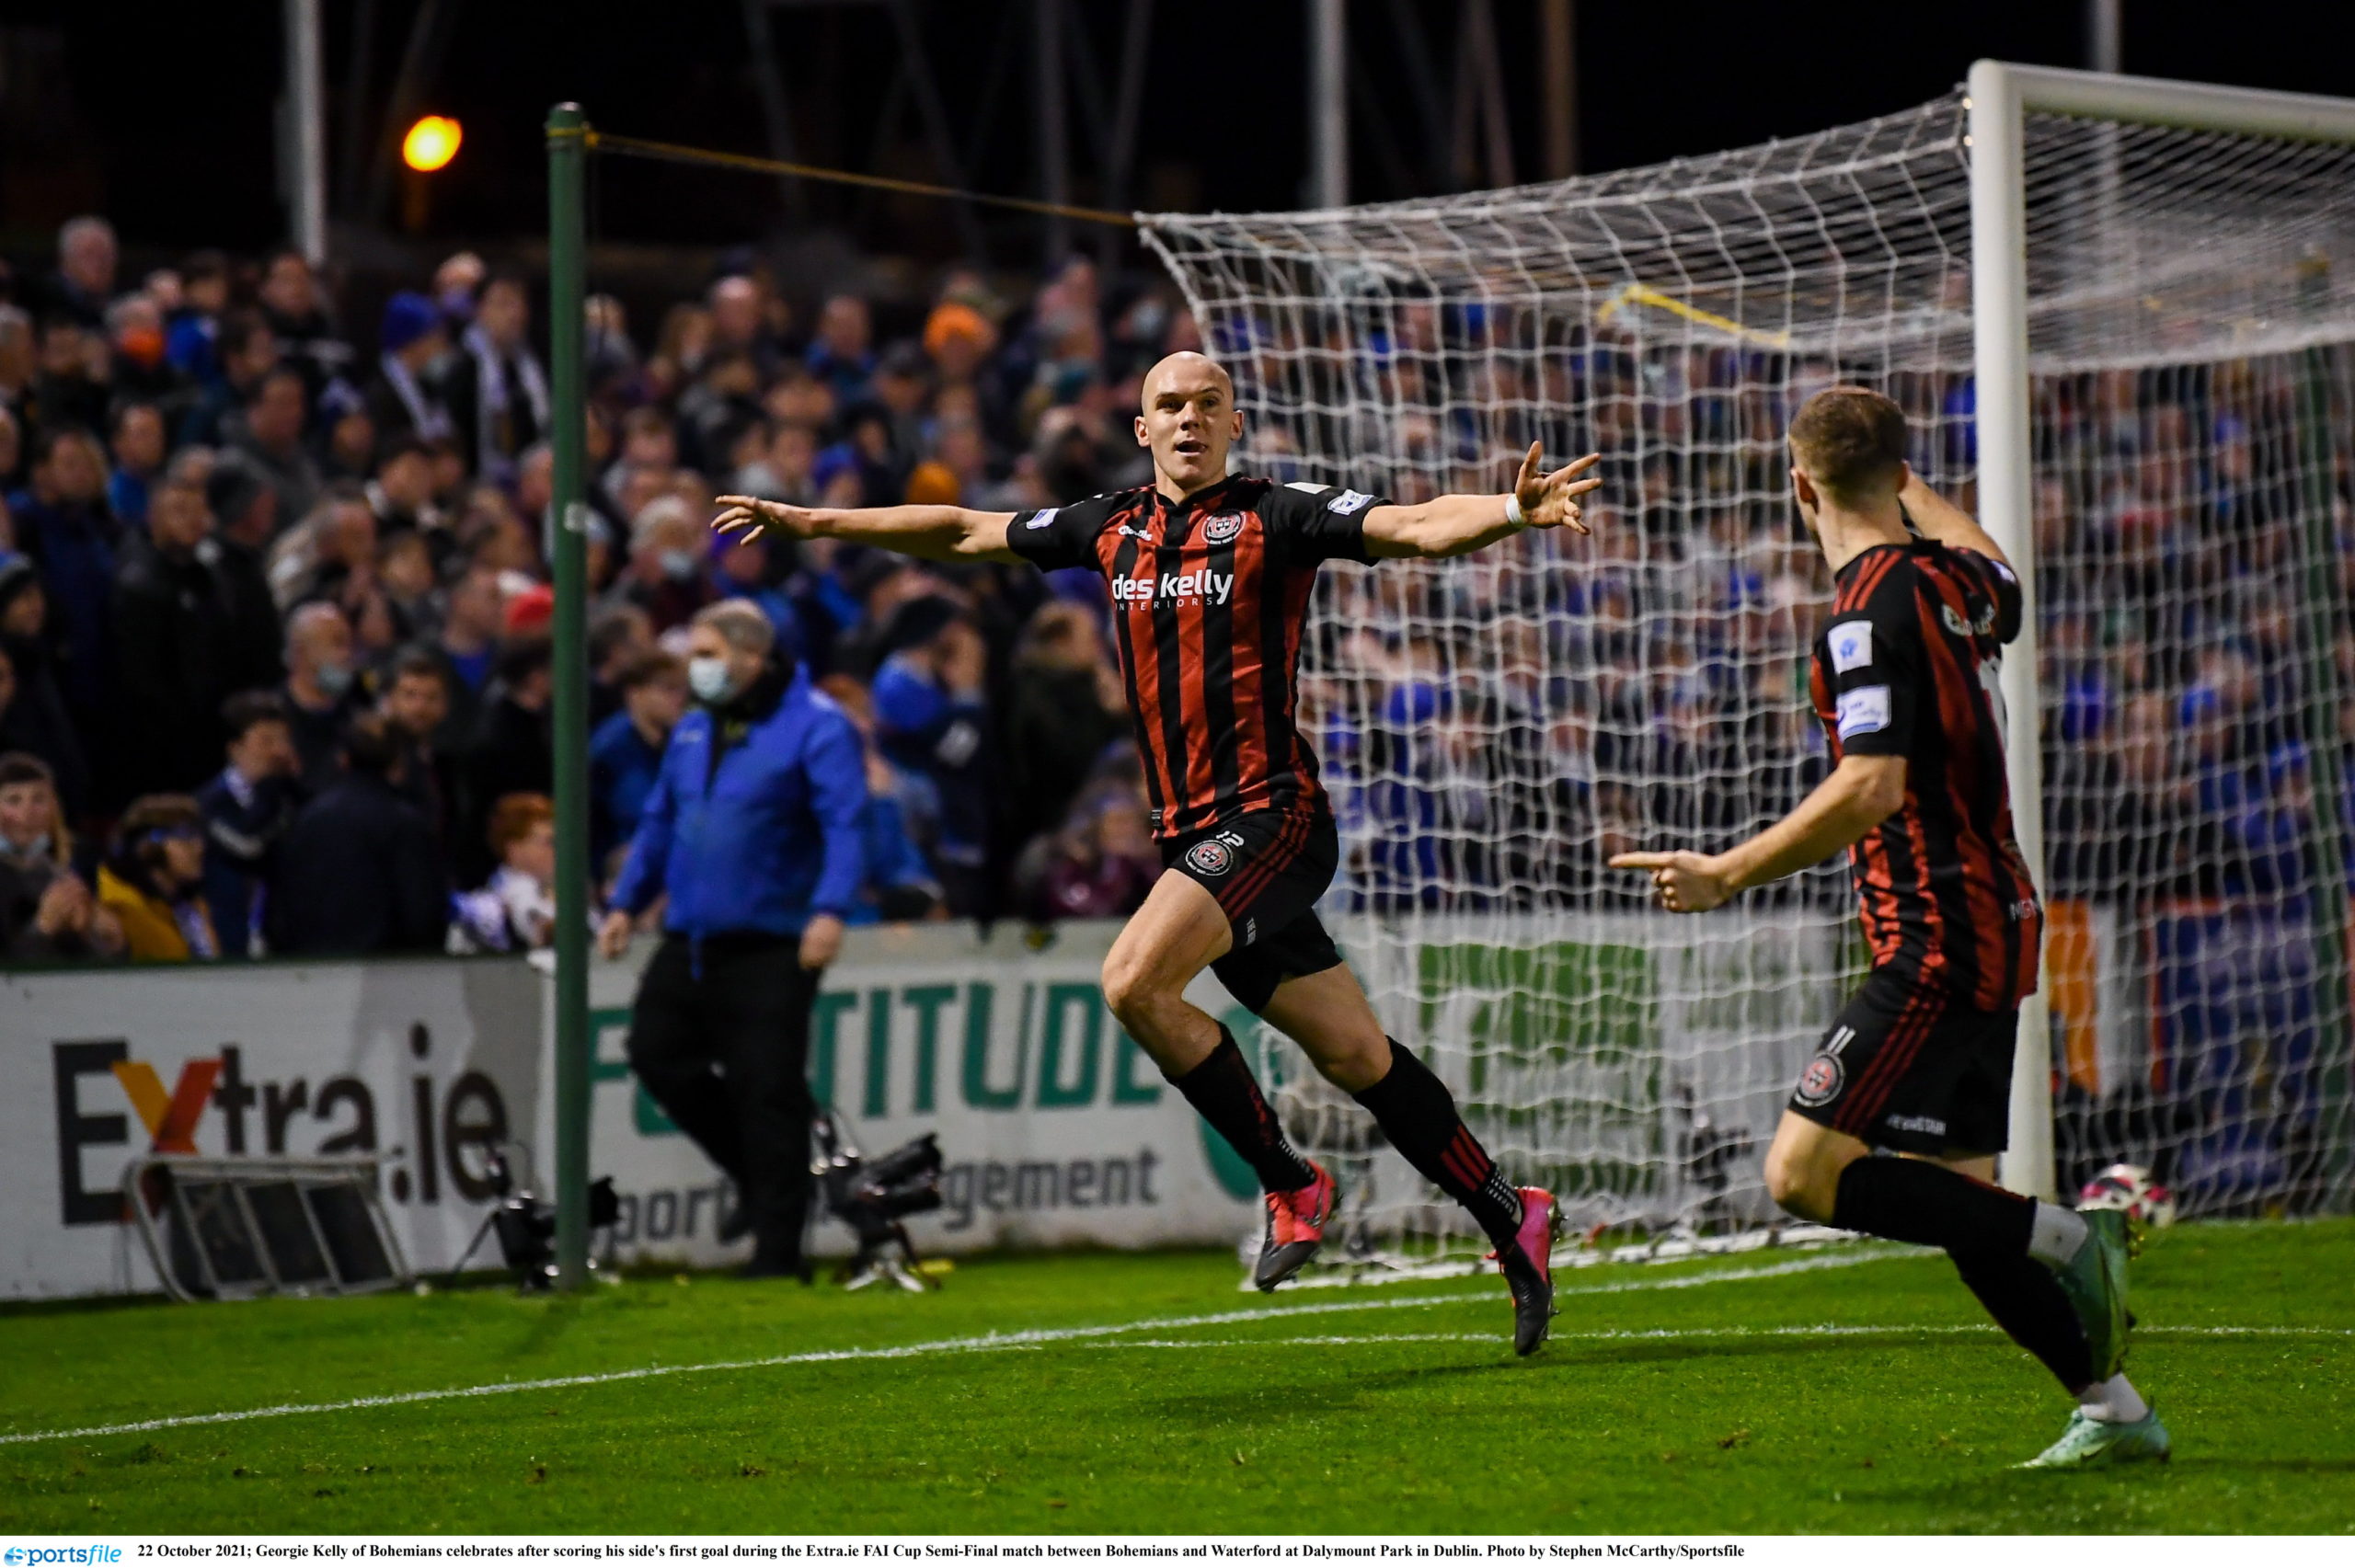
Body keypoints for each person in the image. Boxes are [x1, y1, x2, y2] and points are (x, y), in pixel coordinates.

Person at [714, 350, 1599, 1351]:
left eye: (1207, 404)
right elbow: (962, 529)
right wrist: (815, 522)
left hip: (1271, 817)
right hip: (1192, 836)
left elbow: (1413, 525)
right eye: (1169, 405)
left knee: (1133, 980)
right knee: (1356, 1055)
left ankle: (1292, 1184)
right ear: (1141, 429)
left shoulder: (1277, 513)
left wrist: (1511, 510)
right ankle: (1511, 1212)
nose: (1188, 418)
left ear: (1233, 423)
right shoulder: (1110, 526)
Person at [1610, 385, 2158, 1467]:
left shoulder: (1864, 614)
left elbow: (1870, 784)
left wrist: (1725, 872)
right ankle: (2114, 1409)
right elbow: (2002, 573)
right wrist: (1902, 478)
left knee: (1800, 1173)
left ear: (1798, 487)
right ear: (1901, 479)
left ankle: (2070, 1235)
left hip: (1935, 935)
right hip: (1993, 913)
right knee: (1958, 1198)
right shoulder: (1953, 583)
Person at [598, 600, 866, 1281]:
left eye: (707, 654)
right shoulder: (695, 727)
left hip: (773, 941)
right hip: (691, 934)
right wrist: (626, 901)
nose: (695, 667)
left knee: (767, 1090)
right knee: (656, 1053)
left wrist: (830, 909)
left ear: (752, 656)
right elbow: (660, 820)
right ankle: (755, 1174)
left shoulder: (817, 726)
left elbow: (844, 823)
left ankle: (778, 1256)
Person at [267, 712, 446, 956]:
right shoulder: (406, 824)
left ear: (343, 759)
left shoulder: (306, 819)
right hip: (387, 969)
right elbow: (422, 913)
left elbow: (279, 908)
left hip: (309, 968)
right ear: (399, 763)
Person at [197, 691, 302, 959]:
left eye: (284, 740)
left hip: (283, 945)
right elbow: (246, 845)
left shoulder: (291, 799)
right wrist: (269, 792)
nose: (279, 751)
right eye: (267, 741)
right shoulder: (209, 806)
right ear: (235, 748)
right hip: (227, 945)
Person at [0, 750, 122, 961]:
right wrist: (42, 928)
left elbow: (81, 968)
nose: (28, 812)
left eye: (39, 799)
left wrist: (108, 941)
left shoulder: (57, 875)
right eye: (13, 800)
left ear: (53, 807)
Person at [590, 647, 688, 864]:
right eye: (668, 689)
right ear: (635, 693)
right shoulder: (611, 749)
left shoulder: (680, 741)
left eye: (682, 690)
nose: (679, 699)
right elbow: (635, 813)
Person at [97, 794, 218, 961]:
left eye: (198, 835)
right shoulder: (119, 907)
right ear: (147, 844)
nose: (199, 847)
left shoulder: (191, 907)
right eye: (185, 836)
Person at [448, 792, 560, 953]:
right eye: (549, 842)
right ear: (515, 848)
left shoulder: (557, 889)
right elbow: (535, 926)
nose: (558, 851)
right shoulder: (498, 897)